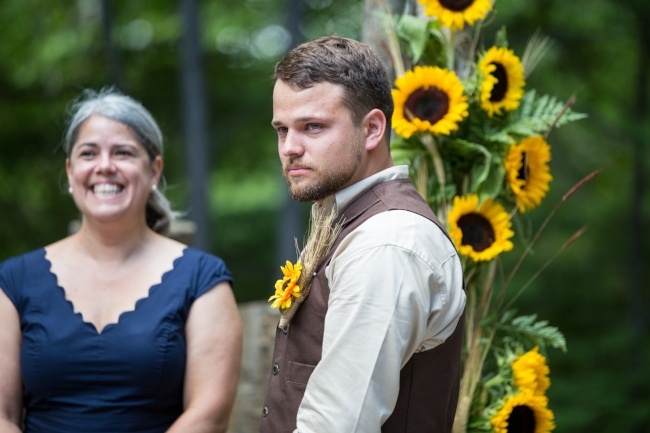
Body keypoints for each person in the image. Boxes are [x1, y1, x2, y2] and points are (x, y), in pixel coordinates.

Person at [0, 88, 242, 433]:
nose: (104, 167)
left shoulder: (202, 279)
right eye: (88, 153)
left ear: (154, 170)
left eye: (123, 153)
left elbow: (209, 414)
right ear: (70, 171)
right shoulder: (13, 281)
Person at [259, 36, 466, 433]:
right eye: (282, 130)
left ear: (372, 128)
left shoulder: (387, 242)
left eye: (313, 127)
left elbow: (340, 423)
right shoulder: (348, 219)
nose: (290, 147)